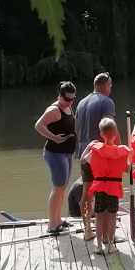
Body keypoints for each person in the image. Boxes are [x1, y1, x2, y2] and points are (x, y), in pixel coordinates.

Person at [34, 81, 78, 236]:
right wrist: (54, 137)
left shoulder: (68, 106)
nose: (70, 102)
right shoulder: (54, 110)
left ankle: (58, 219)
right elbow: (38, 125)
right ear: (60, 95)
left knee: (62, 187)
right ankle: (52, 225)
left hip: (67, 153)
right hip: (55, 153)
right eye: (67, 99)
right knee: (58, 187)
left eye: (72, 99)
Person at [75, 72, 116, 239]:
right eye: (110, 85)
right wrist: (117, 149)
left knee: (87, 191)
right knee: (104, 191)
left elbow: (77, 129)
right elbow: (110, 128)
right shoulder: (107, 102)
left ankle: (88, 230)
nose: (111, 88)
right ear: (105, 85)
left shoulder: (81, 102)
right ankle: (105, 234)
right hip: (100, 153)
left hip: (84, 152)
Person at [84, 117, 130, 254]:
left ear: (101, 134)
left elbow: (85, 160)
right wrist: (129, 157)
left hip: (100, 189)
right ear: (115, 134)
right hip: (113, 189)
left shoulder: (95, 151)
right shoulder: (121, 152)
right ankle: (110, 245)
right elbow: (127, 169)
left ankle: (99, 246)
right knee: (112, 217)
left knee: (99, 217)